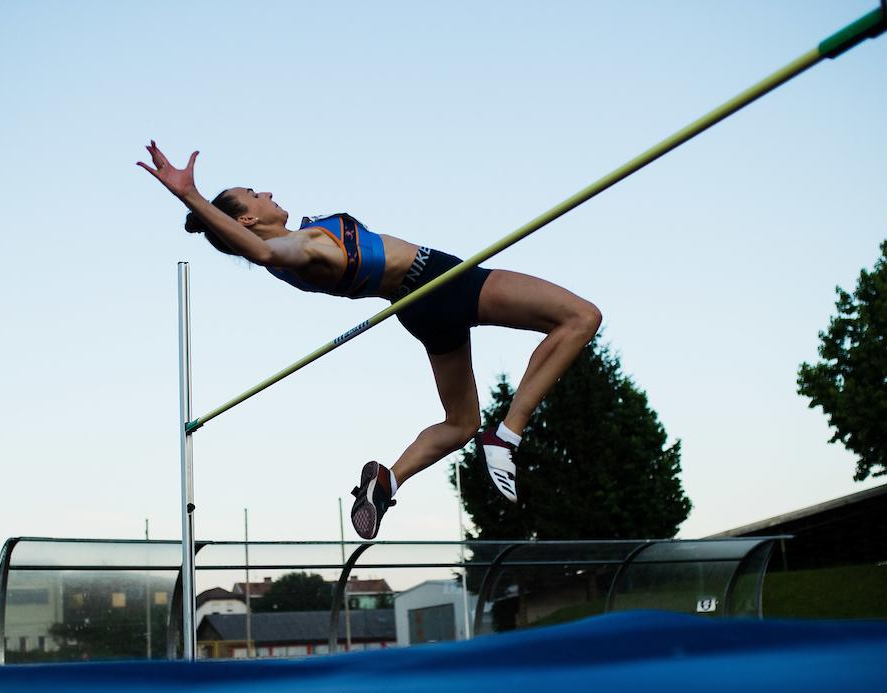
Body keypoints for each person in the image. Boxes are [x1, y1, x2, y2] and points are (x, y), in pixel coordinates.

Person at [139, 142, 601, 539]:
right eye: (255, 194)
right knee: (580, 317)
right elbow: (259, 249)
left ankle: (387, 481)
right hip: (443, 282)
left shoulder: (293, 254)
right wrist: (190, 195)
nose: (268, 192)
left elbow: (262, 249)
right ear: (247, 218)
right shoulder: (296, 249)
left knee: (460, 424)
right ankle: (508, 434)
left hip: (416, 306)